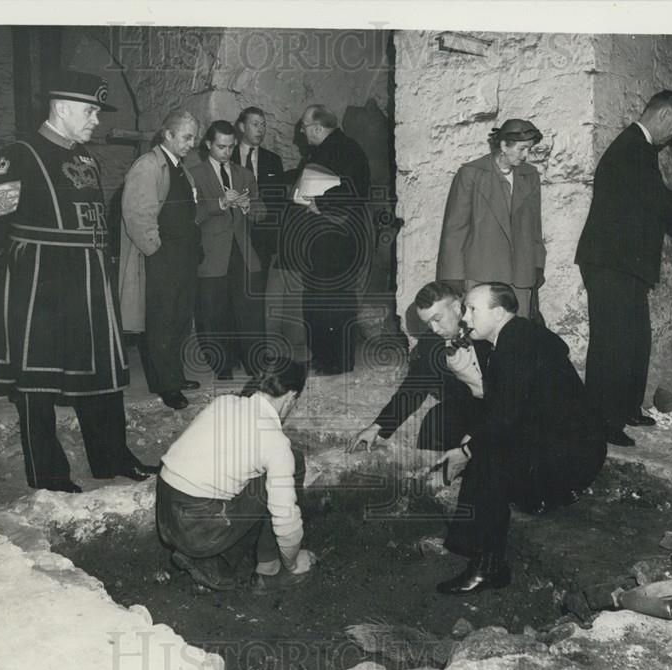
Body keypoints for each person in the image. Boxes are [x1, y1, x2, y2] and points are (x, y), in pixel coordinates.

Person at [0, 70, 155, 493]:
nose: (96, 121)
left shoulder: (86, 157)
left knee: (103, 373)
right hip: (39, 279)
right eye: (90, 111)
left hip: (89, 276)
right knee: (37, 381)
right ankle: (49, 475)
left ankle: (113, 458)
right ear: (63, 107)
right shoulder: (14, 156)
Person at [434, 283, 606, 594]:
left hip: (572, 457)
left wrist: (466, 450)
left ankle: (488, 566)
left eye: (473, 309)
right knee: (486, 445)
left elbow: (505, 419)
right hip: (569, 446)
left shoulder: (514, 347)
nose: (464, 317)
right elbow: (509, 410)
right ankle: (526, 508)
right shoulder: (518, 336)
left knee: (488, 459)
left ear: (498, 313)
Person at [575, 90, 672, 447]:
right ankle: (601, 421)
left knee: (635, 340)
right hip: (609, 262)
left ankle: (626, 408)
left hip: (624, 263)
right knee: (612, 344)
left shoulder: (638, 148)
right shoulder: (633, 147)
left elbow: (646, 204)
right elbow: (657, 197)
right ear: (665, 115)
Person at [156, 357, 316, 593]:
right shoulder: (274, 441)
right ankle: (269, 572)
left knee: (258, 477)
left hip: (166, 516)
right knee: (293, 465)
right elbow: (285, 519)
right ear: (291, 396)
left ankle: (213, 561)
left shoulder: (224, 403)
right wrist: (292, 563)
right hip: (199, 529)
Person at [118, 109, 202, 410]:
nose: (191, 143)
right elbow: (137, 215)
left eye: (194, 138)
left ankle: (175, 376)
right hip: (161, 260)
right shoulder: (148, 165)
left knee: (179, 320)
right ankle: (165, 385)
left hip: (183, 259)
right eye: (187, 137)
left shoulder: (180, 167)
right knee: (162, 322)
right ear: (167, 134)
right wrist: (156, 251)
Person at [284, 104, 373, 375]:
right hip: (323, 241)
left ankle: (339, 361)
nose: (301, 132)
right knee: (319, 299)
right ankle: (324, 357)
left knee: (334, 300)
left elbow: (356, 189)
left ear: (319, 127)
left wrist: (318, 203)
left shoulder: (346, 149)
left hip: (337, 240)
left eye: (304, 127)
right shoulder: (326, 150)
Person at [347, 281, 485, 453]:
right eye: (428, 323)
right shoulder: (430, 342)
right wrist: (377, 427)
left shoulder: (485, 327)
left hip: (503, 407)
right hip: (471, 406)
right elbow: (414, 388)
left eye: (437, 319)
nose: (434, 329)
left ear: (456, 307)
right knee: (436, 421)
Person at [436, 119, 546, 319]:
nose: (526, 155)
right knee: (481, 336)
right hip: (481, 274)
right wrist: (452, 276)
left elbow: (535, 226)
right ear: (504, 145)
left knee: (516, 334)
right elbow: (455, 229)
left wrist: (538, 264)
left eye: (529, 149)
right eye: (522, 149)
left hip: (520, 276)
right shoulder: (471, 174)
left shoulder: (531, 176)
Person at [193, 120, 267, 380]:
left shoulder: (245, 174)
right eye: (221, 147)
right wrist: (221, 203)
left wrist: (248, 206)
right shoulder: (194, 174)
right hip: (212, 255)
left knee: (250, 311)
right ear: (208, 144)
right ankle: (222, 365)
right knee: (214, 312)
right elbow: (192, 215)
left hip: (243, 253)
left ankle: (255, 364)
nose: (226, 152)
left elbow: (262, 212)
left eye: (231, 147)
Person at [231, 106, 286, 274]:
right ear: (242, 127)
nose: (261, 130)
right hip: (233, 234)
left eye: (263, 125)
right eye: (255, 124)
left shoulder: (273, 160)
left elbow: (279, 200)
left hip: (262, 236)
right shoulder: (228, 155)